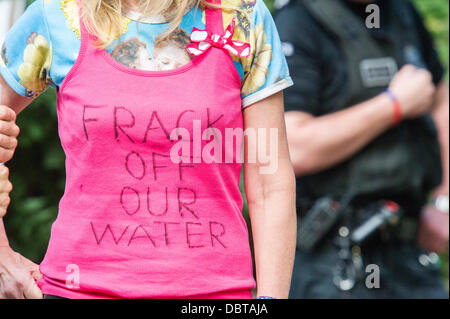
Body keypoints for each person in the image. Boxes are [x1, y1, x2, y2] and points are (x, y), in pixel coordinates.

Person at [0, 0, 297, 299]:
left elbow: (269, 181)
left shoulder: (243, 17)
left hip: (215, 295)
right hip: (78, 290)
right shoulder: (58, 16)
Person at [275, 0, 449, 298]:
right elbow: (293, 148)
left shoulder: (401, 11)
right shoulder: (298, 21)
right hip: (331, 256)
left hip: (410, 251)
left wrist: (443, 202)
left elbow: (441, 101)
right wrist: (392, 106)